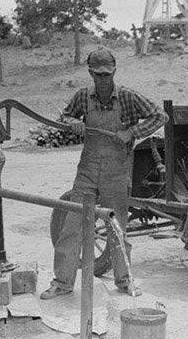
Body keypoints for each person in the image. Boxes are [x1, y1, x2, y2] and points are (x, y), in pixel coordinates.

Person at [40, 46, 167, 299]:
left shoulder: (129, 98)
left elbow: (159, 115)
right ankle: (62, 283)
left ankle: (124, 281)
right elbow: (65, 116)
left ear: (115, 71)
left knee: (117, 228)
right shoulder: (83, 97)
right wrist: (73, 123)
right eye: (98, 75)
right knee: (72, 226)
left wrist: (133, 132)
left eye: (107, 74)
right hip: (87, 170)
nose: (103, 79)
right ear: (90, 73)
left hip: (117, 171)